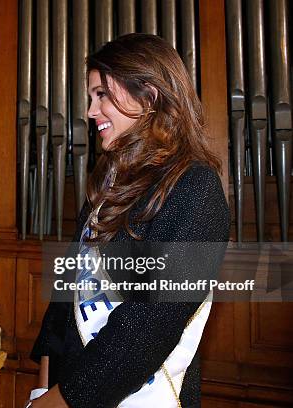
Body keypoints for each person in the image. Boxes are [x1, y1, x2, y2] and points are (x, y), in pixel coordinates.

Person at [28, 34, 229, 407]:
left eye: (102, 94)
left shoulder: (197, 189)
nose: (91, 110)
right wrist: (41, 390)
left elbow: (150, 327)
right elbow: (62, 305)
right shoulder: (108, 185)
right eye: (91, 97)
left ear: (150, 96)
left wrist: (59, 401)